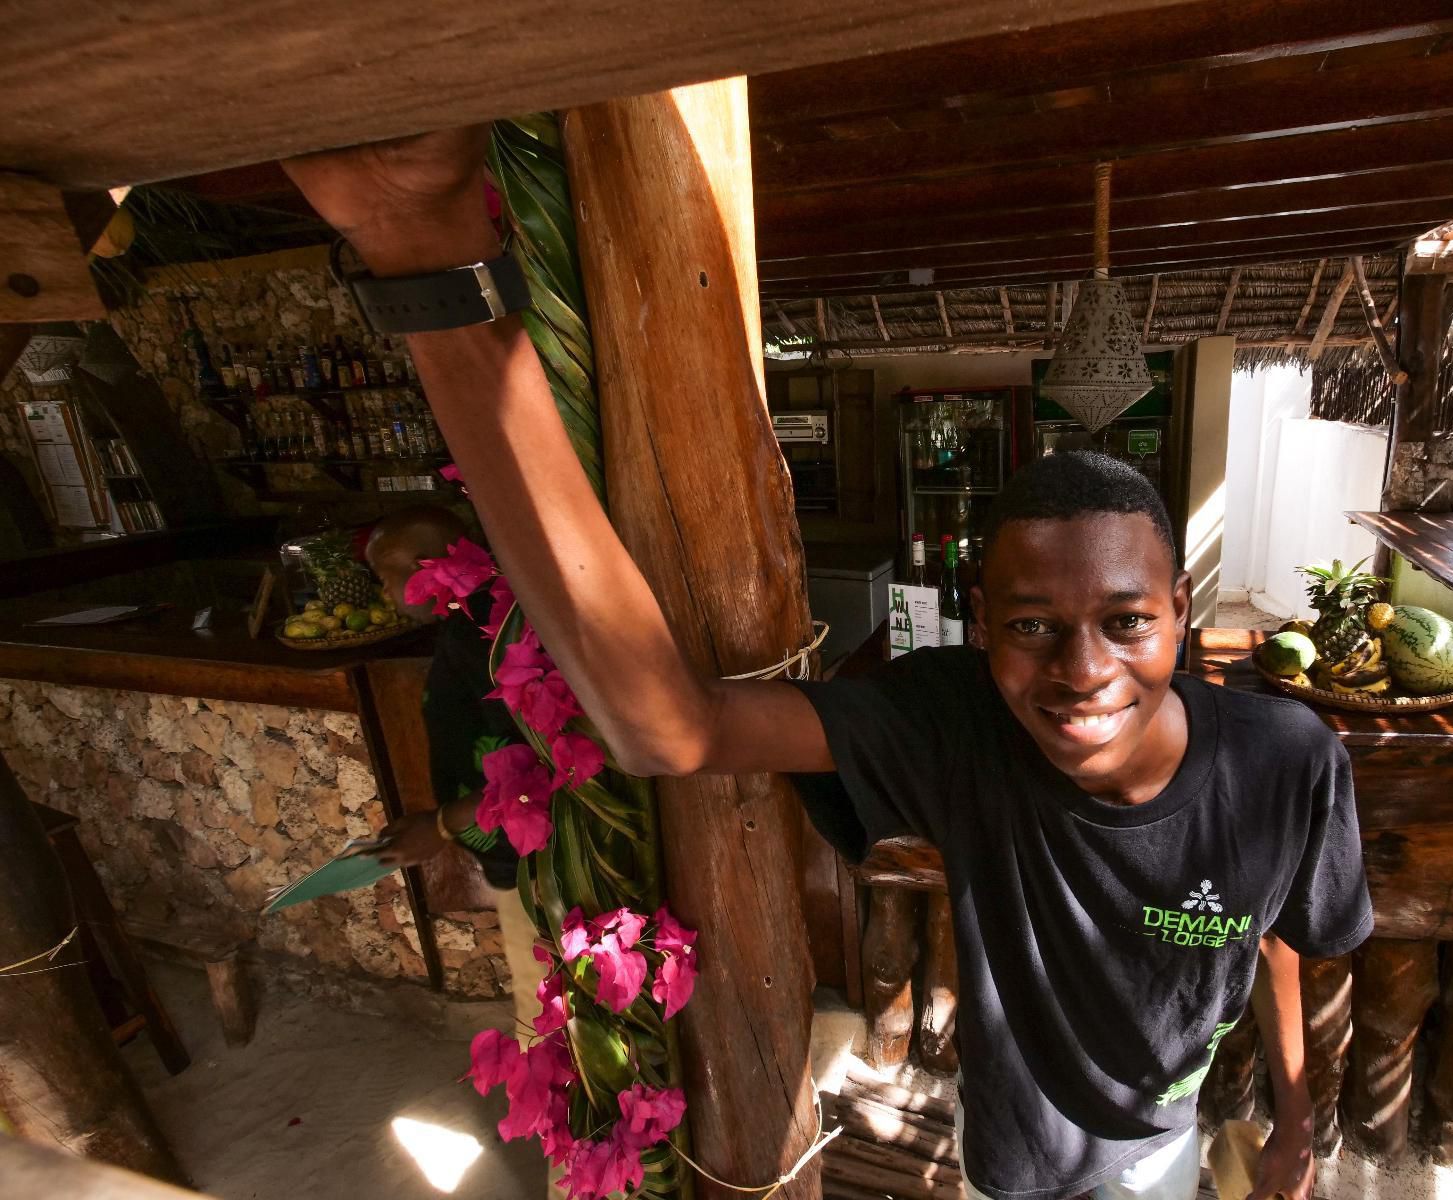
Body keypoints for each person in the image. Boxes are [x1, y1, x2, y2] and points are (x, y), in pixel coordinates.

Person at [283, 129, 1372, 1200]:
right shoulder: (952, 725)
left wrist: (1292, 1118)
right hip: (1018, 1161)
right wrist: (422, 256)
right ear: (979, 622)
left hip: (1170, 1142)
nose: (1082, 671)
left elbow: (1283, 940)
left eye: (1127, 621)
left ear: (1182, 614)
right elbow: (668, 728)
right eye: (1033, 626)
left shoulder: (1287, 761)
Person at [364, 504, 545, 1044]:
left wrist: (441, 824)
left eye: (383, 576)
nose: (383, 593)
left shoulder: (485, 635)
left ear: (422, 565)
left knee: (549, 1013)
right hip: (518, 854)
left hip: (538, 863)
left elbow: (539, 767)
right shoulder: (474, 619)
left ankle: (586, 1124)